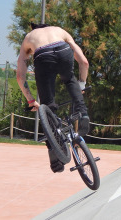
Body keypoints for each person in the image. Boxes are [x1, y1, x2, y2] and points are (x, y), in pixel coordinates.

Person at [16, 23, 90, 172]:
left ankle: (54, 158)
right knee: (69, 79)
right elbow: (84, 62)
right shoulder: (60, 30)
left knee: (48, 106)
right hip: (64, 51)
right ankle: (83, 113)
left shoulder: (29, 37)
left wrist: (31, 100)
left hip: (43, 58)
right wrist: (81, 85)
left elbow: (19, 76)